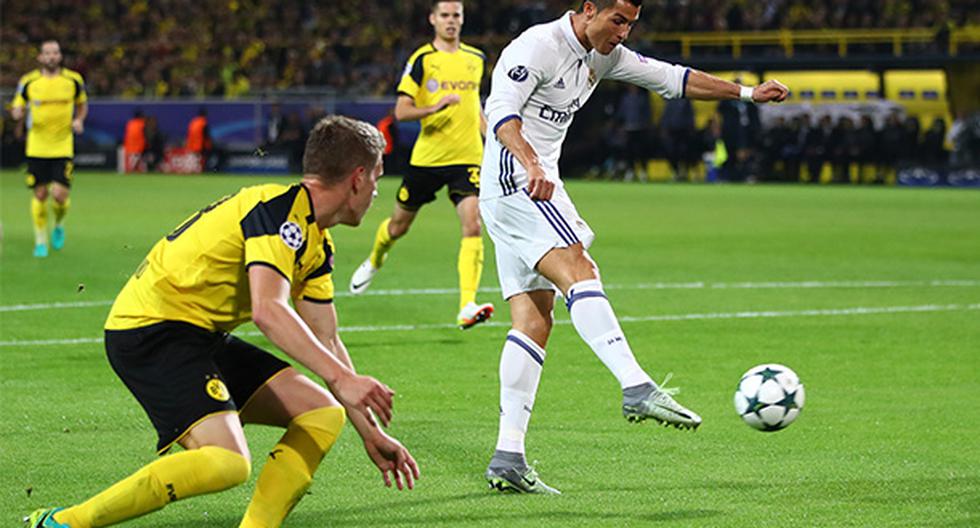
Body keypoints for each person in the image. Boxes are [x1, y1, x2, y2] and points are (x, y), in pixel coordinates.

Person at [25, 116, 420, 528]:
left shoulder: (314, 237)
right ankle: (65, 522)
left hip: (199, 334)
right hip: (150, 331)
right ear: (357, 179)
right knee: (227, 463)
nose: (377, 191)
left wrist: (370, 431)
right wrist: (341, 379)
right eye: (377, 178)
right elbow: (269, 310)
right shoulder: (279, 213)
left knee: (322, 413)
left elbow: (327, 338)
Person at [479, 0, 788, 493]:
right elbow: (500, 111)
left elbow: (673, 78)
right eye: (617, 20)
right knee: (580, 266)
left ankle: (508, 457)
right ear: (587, 9)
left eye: (631, 24)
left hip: (525, 186)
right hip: (518, 181)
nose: (623, 33)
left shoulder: (601, 54)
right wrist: (531, 162)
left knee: (534, 322)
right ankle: (635, 384)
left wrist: (748, 93)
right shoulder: (537, 46)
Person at [348, 0, 496, 330]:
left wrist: (496, 143)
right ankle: (374, 260)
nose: (451, 21)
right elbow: (401, 111)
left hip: (468, 157)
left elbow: (475, 109)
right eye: (444, 15)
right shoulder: (421, 59)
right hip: (428, 159)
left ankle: (466, 305)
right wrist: (435, 107)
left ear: (462, 19)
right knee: (399, 226)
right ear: (433, 19)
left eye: (456, 15)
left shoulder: (476, 59)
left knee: (472, 224)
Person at [10, 39, 88, 258]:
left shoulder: (73, 80)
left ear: (60, 56)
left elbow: (82, 105)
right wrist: (17, 112)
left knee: (60, 195)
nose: (51, 56)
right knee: (41, 193)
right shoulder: (29, 81)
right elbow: (18, 103)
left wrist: (79, 120)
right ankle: (40, 240)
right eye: (47, 53)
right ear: (40, 57)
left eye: (55, 52)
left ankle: (59, 224)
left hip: (63, 146)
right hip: (37, 147)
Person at [186, 107, 212, 172]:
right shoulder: (203, 123)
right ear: (205, 115)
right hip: (200, 145)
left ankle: (194, 170)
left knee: (195, 159)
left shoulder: (193, 122)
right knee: (204, 159)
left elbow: (189, 134)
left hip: (192, 145)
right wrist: (209, 145)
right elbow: (206, 136)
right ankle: (203, 170)